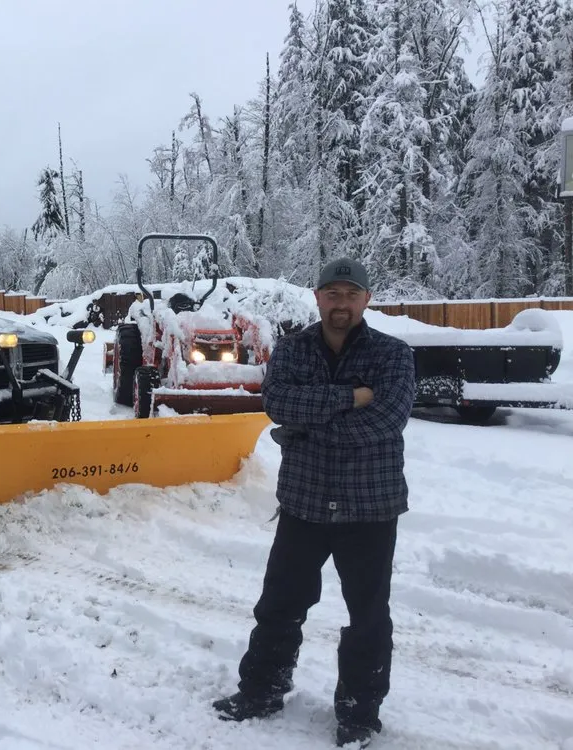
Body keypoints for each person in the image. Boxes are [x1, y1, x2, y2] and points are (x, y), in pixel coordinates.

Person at [212, 257, 416, 748]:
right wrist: (350, 397)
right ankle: (261, 691)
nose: (340, 303)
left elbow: (388, 419)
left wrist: (308, 427)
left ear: (366, 300)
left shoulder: (394, 354)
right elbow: (278, 404)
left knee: (368, 616)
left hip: (370, 507)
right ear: (318, 296)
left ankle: (359, 714)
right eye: (332, 293)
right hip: (304, 501)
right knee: (280, 604)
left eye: (350, 294)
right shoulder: (293, 348)